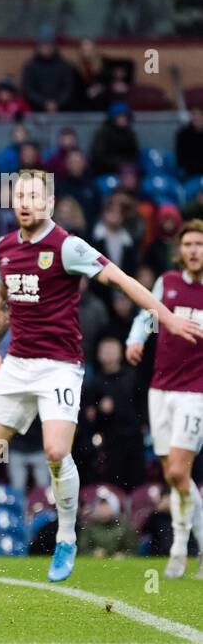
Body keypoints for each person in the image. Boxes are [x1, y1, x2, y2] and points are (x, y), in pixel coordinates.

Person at [0, 170, 203, 582]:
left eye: (34, 196)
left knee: (55, 452)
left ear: (49, 204)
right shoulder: (4, 248)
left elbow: (122, 280)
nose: (25, 202)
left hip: (60, 366)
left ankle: (67, 538)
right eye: (19, 195)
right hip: (17, 362)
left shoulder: (68, 246)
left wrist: (166, 317)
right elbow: (3, 301)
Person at [126, 219, 203, 579]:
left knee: (176, 470)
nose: (193, 250)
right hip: (160, 390)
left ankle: (178, 549)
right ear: (180, 250)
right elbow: (147, 314)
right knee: (176, 478)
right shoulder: (168, 283)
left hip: (195, 393)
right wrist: (135, 339)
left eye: (199, 245)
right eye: (188, 244)